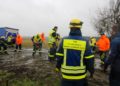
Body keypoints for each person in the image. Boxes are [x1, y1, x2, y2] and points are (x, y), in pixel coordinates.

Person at [55, 19, 94, 86]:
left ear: (70, 28)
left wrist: (57, 67)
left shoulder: (64, 40)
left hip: (66, 76)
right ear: (80, 28)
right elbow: (89, 59)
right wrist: (91, 71)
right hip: (80, 76)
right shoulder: (85, 41)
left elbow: (59, 56)